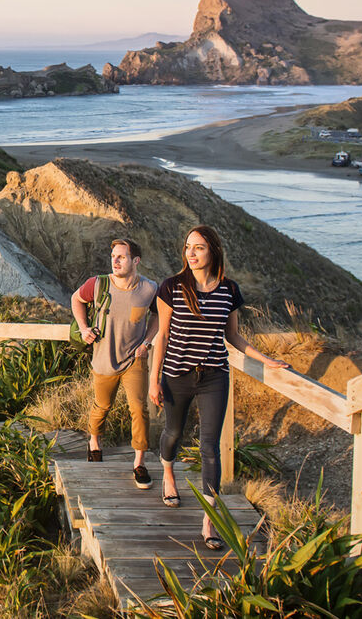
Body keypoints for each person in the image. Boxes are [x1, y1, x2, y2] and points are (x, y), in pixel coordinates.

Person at [148, 225, 288, 549]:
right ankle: (168, 474)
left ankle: (208, 521)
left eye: (199, 247)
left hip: (214, 376)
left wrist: (266, 360)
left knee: (210, 447)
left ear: (213, 250)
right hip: (176, 375)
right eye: (188, 247)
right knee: (173, 433)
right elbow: (162, 336)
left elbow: (233, 336)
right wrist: (154, 380)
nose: (191, 253)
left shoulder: (229, 290)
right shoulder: (172, 287)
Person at [71, 238, 158, 489]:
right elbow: (76, 299)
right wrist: (83, 328)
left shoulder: (150, 288)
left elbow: (159, 315)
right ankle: (94, 443)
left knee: (139, 409)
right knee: (102, 406)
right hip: (103, 359)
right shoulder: (98, 284)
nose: (115, 261)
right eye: (113, 257)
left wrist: (147, 342)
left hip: (135, 359)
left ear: (136, 260)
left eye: (121, 256)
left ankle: (139, 463)